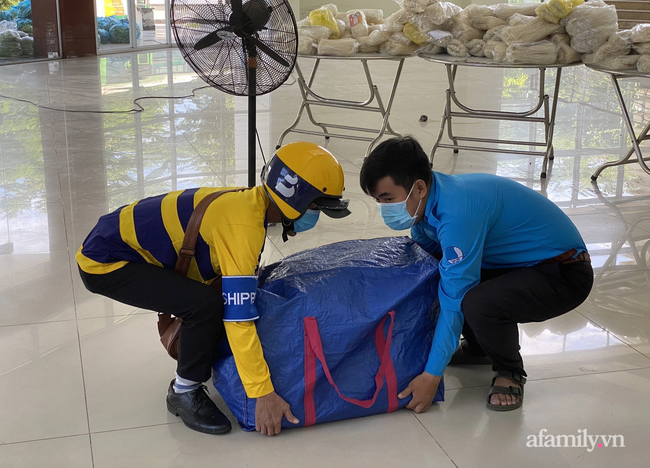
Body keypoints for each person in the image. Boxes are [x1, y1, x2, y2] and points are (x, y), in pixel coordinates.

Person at [77, 142, 350, 435]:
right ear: (295, 198)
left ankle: (198, 358)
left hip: (113, 239)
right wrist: (262, 392)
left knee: (217, 295)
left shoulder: (249, 203)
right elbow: (238, 318)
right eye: (316, 206)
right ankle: (183, 392)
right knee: (204, 305)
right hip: (106, 261)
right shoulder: (243, 227)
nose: (316, 215)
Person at [360, 136, 593, 412]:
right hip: (519, 265)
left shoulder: (458, 212)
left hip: (564, 272)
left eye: (388, 199)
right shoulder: (426, 209)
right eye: (378, 200)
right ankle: (478, 347)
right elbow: (422, 264)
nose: (384, 208)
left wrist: (432, 374)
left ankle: (510, 371)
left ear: (419, 187)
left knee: (475, 301)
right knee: (439, 273)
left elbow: (454, 296)